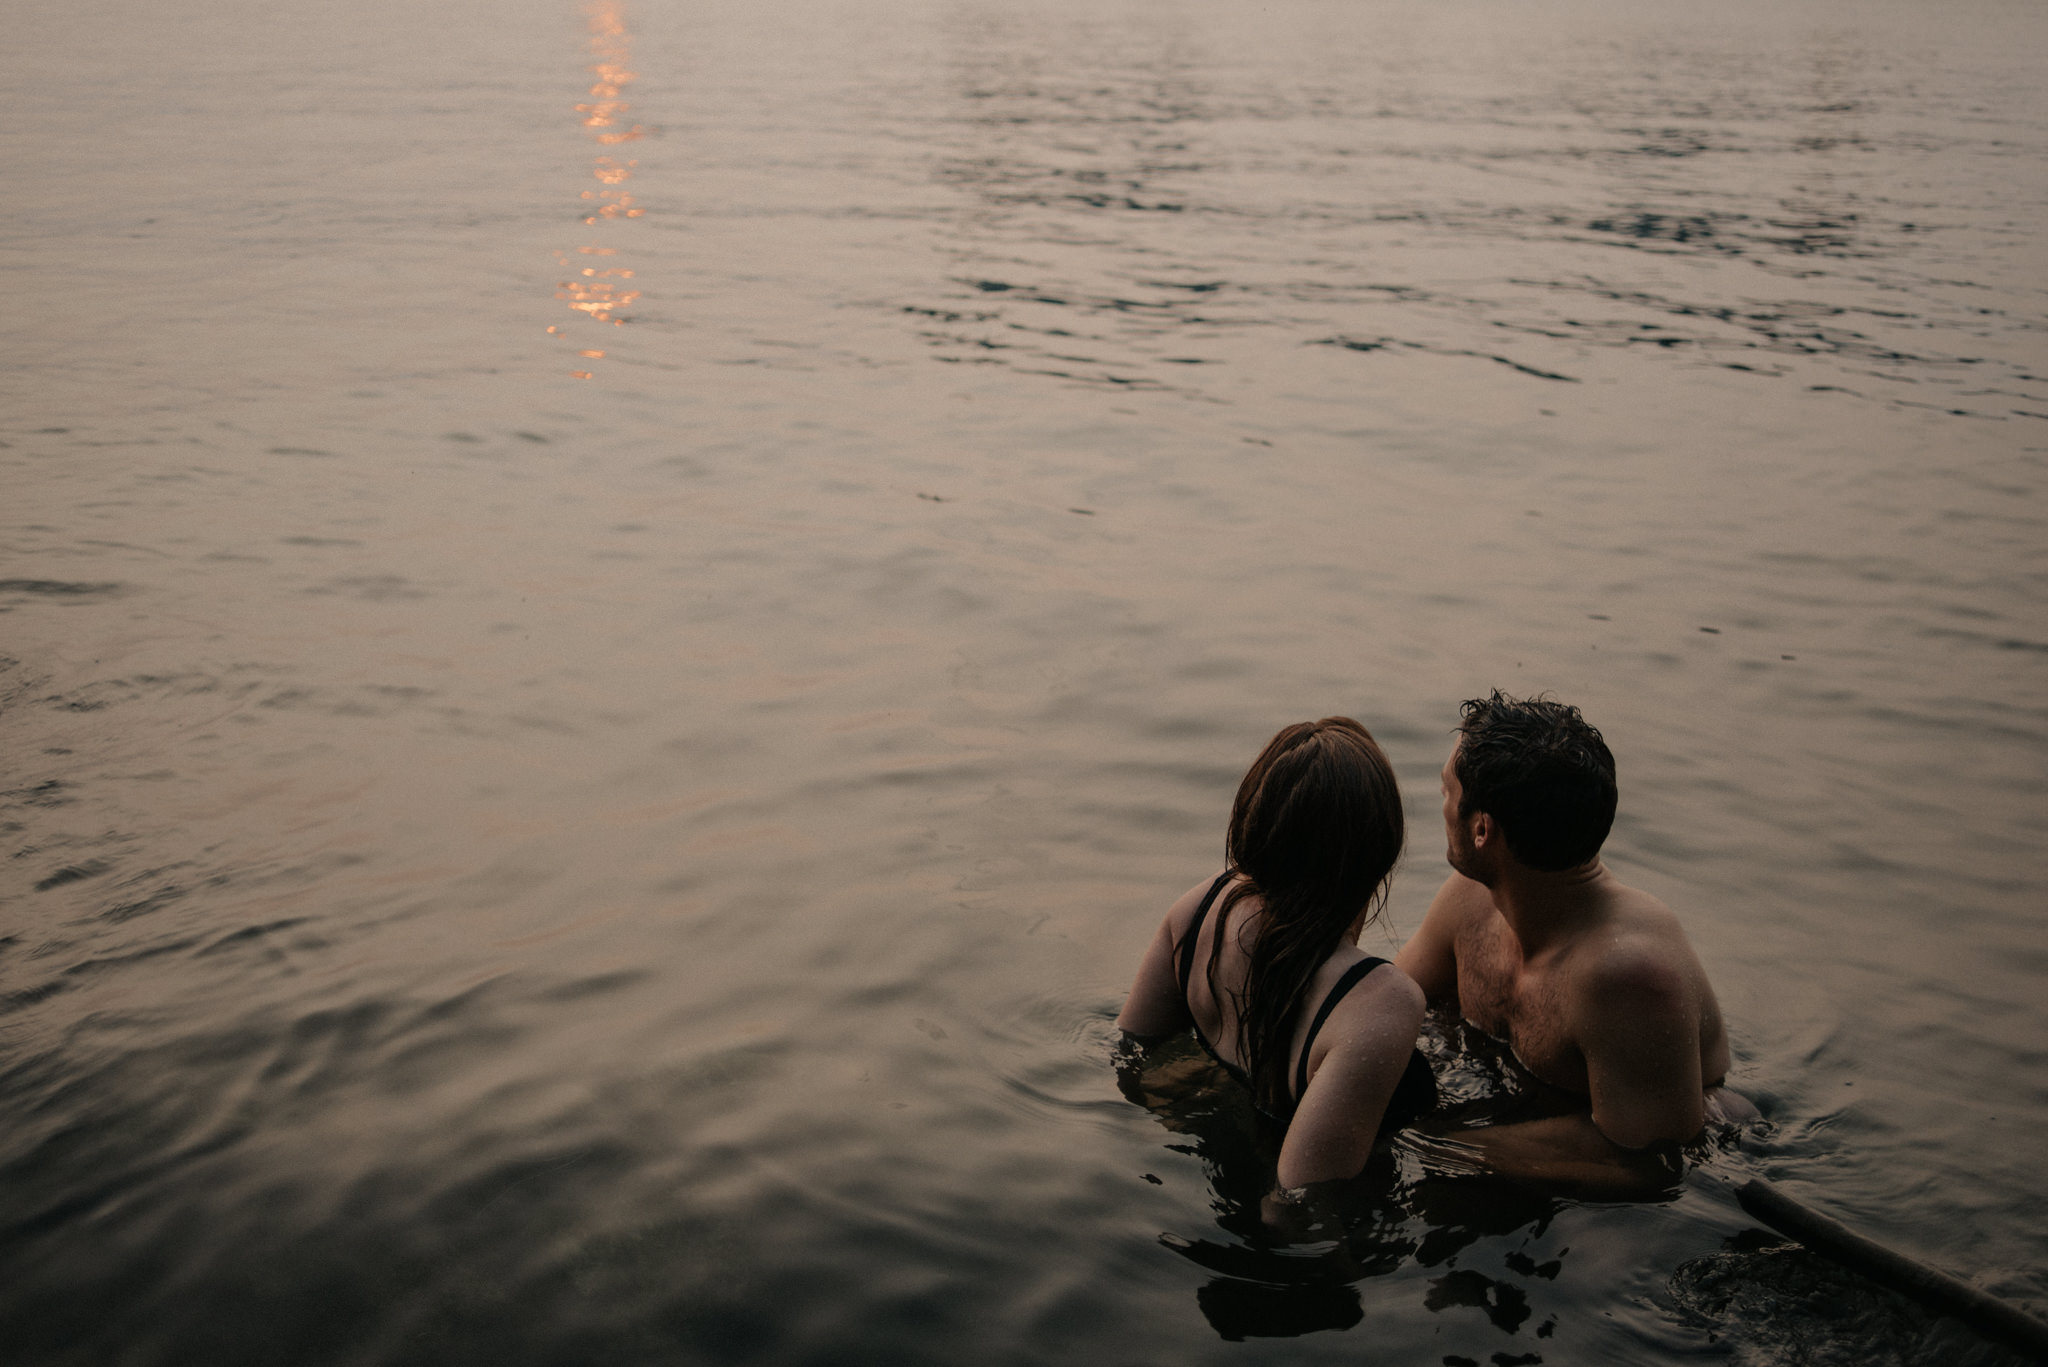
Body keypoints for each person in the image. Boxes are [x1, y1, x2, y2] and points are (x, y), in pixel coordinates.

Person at [1396, 691, 1754, 1189]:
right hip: (1532, 1111)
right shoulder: (1469, 902)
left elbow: (1646, 1157)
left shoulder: (1628, 977)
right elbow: (1393, 1002)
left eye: (1445, 793)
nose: (1441, 807)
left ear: (1481, 830)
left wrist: (1430, 1144)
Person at [1118, 718, 1438, 1191]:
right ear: (1382, 852)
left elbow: (1132, 1063)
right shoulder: (1380, 1004)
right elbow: (1297, 1204)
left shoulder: (1197, 911)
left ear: (1252, 826)